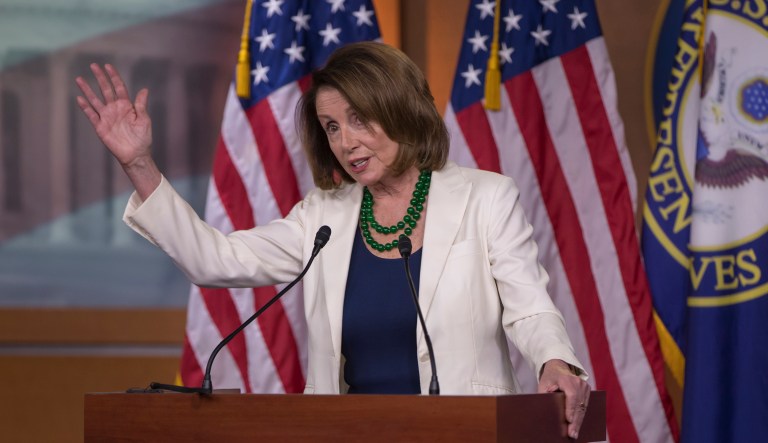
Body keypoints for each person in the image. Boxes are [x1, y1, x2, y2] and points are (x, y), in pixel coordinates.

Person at [76, 42, 591, 439]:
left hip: (467, 433)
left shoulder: (486, 198)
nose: (346, 142)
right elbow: (215, 259)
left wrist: (555, 360)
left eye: (359, 119)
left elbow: (530, 307)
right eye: (331, 127)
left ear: (400, 108)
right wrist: (139, 164)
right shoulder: (323, 217)